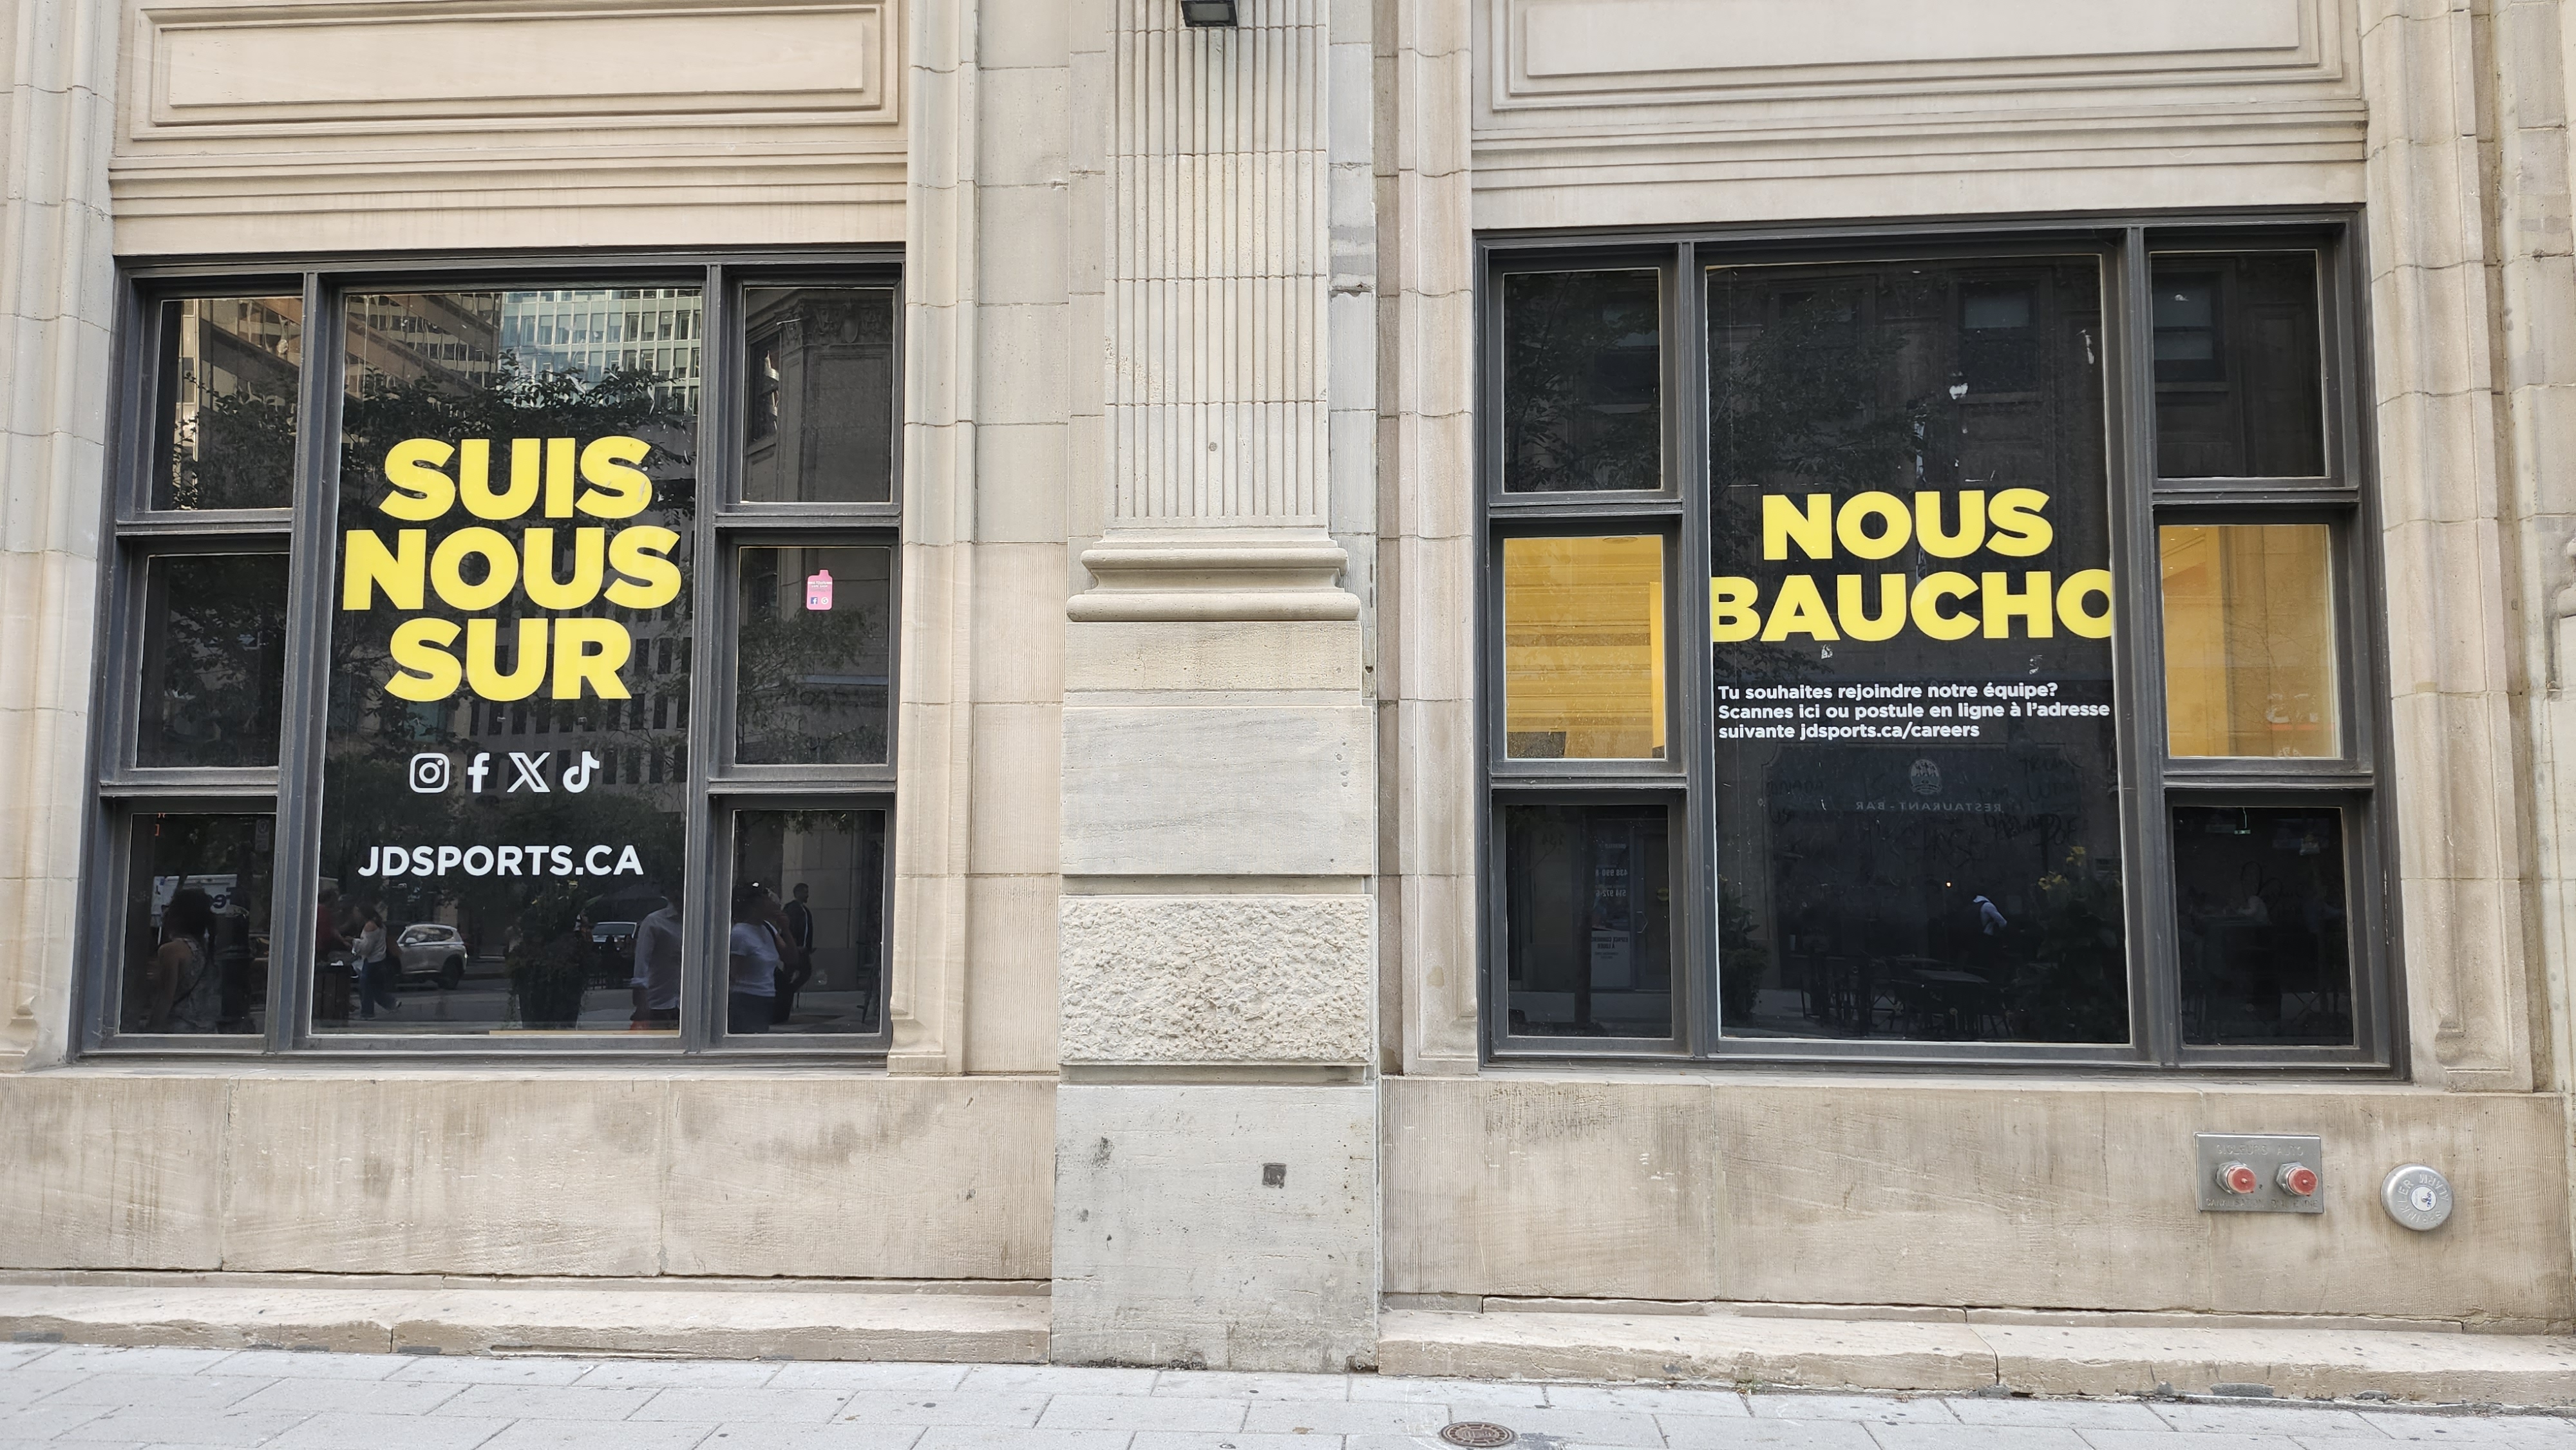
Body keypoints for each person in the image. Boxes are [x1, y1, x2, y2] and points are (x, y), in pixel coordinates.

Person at [150, 888, 222, 1033]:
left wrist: (149, 1033)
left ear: (176, 915)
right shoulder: (209, 949)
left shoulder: (171, 951)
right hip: (209, 1032)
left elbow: (164, 1000)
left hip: (178, 1033)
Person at [727, 881, 784, 1034]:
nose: (773, 904)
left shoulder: (768, 928)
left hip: (766, 996)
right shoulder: (740, 934)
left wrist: (785, 928)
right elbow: (734, 973)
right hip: (747, 997)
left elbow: (790, 957)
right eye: (767, 900)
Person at [630, 893, 683, 1029]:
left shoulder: (700, 922)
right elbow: (641, 964)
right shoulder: (655, 922)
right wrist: (642, 1004)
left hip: (691, 1005)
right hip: (659, 1003)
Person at [773, 883, 817, 1026]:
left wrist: (808, 947)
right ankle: (787, 993)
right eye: (805, 892)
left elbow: (807, 930)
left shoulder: (804, 910)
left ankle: (787, 993)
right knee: (798, 972)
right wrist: (795, 946)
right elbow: (790, 929)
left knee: (796, 973)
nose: (807, 895)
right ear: (797, 893)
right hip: (797, 949)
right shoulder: (793, 909)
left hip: (801, 949)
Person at [314, 885, 352, 1026]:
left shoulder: (321, 911)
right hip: (321, 949)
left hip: (320, 949)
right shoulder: (323, 912)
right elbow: (328, 932)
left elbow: (331, 930)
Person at [353, 907, 395, 1019]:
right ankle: (390, 1003)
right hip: (380, 959)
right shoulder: (381, 925)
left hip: (372, 960)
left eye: (357, 913)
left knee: (365, 987)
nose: (355, 915)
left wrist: (355, 943)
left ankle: (368, 1012)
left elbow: (367, 948)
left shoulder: (370, 926)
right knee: (374, 987)